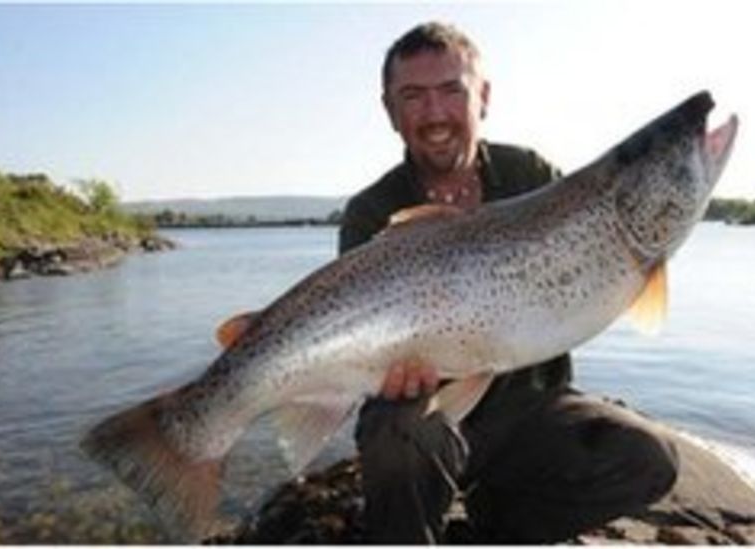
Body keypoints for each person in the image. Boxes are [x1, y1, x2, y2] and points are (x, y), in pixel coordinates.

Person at [219, 21, 679, 544]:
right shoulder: (371, 211)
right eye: (413, 96)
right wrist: (380, 372)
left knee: (648, 458)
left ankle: (493, 532)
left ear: (482, 96)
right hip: (422, 413)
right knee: (402, 432)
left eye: (451, 91)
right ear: (390, 110)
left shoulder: (531, 173)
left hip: (531, 408)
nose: (435, 114)